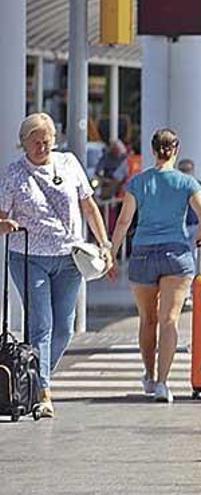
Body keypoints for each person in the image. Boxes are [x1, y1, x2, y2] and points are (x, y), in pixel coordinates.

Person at [0, 112, 114, 418]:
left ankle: (34, 377)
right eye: (34, 142)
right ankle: (43, 393)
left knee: (64, 327)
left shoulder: (68, 163)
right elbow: (0, 215)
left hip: (69, 258)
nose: (41, 147)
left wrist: (104, 244)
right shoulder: (13, 174)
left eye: (46, 142)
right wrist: (5, 224)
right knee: (42, 324)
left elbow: (88, 206)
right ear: (22, 144)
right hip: (28, 257)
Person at [108, 128, 201, 404]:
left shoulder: (137, 182)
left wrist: (111, 253)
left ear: (153, 150)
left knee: (147, 319)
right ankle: (163, 385)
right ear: (176, 150)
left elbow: (123, 221)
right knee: (169, 320)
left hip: (142, 254)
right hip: (176, 254)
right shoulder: (188, 183)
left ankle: (149, 375)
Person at [176, 158, 201, 265]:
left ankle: (191, 277)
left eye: (187, 170)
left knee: (193, 254)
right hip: (179, 225)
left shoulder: (199, 186)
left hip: (195, 224)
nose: (185, 173)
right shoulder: (175, 186)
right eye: (183, 170)